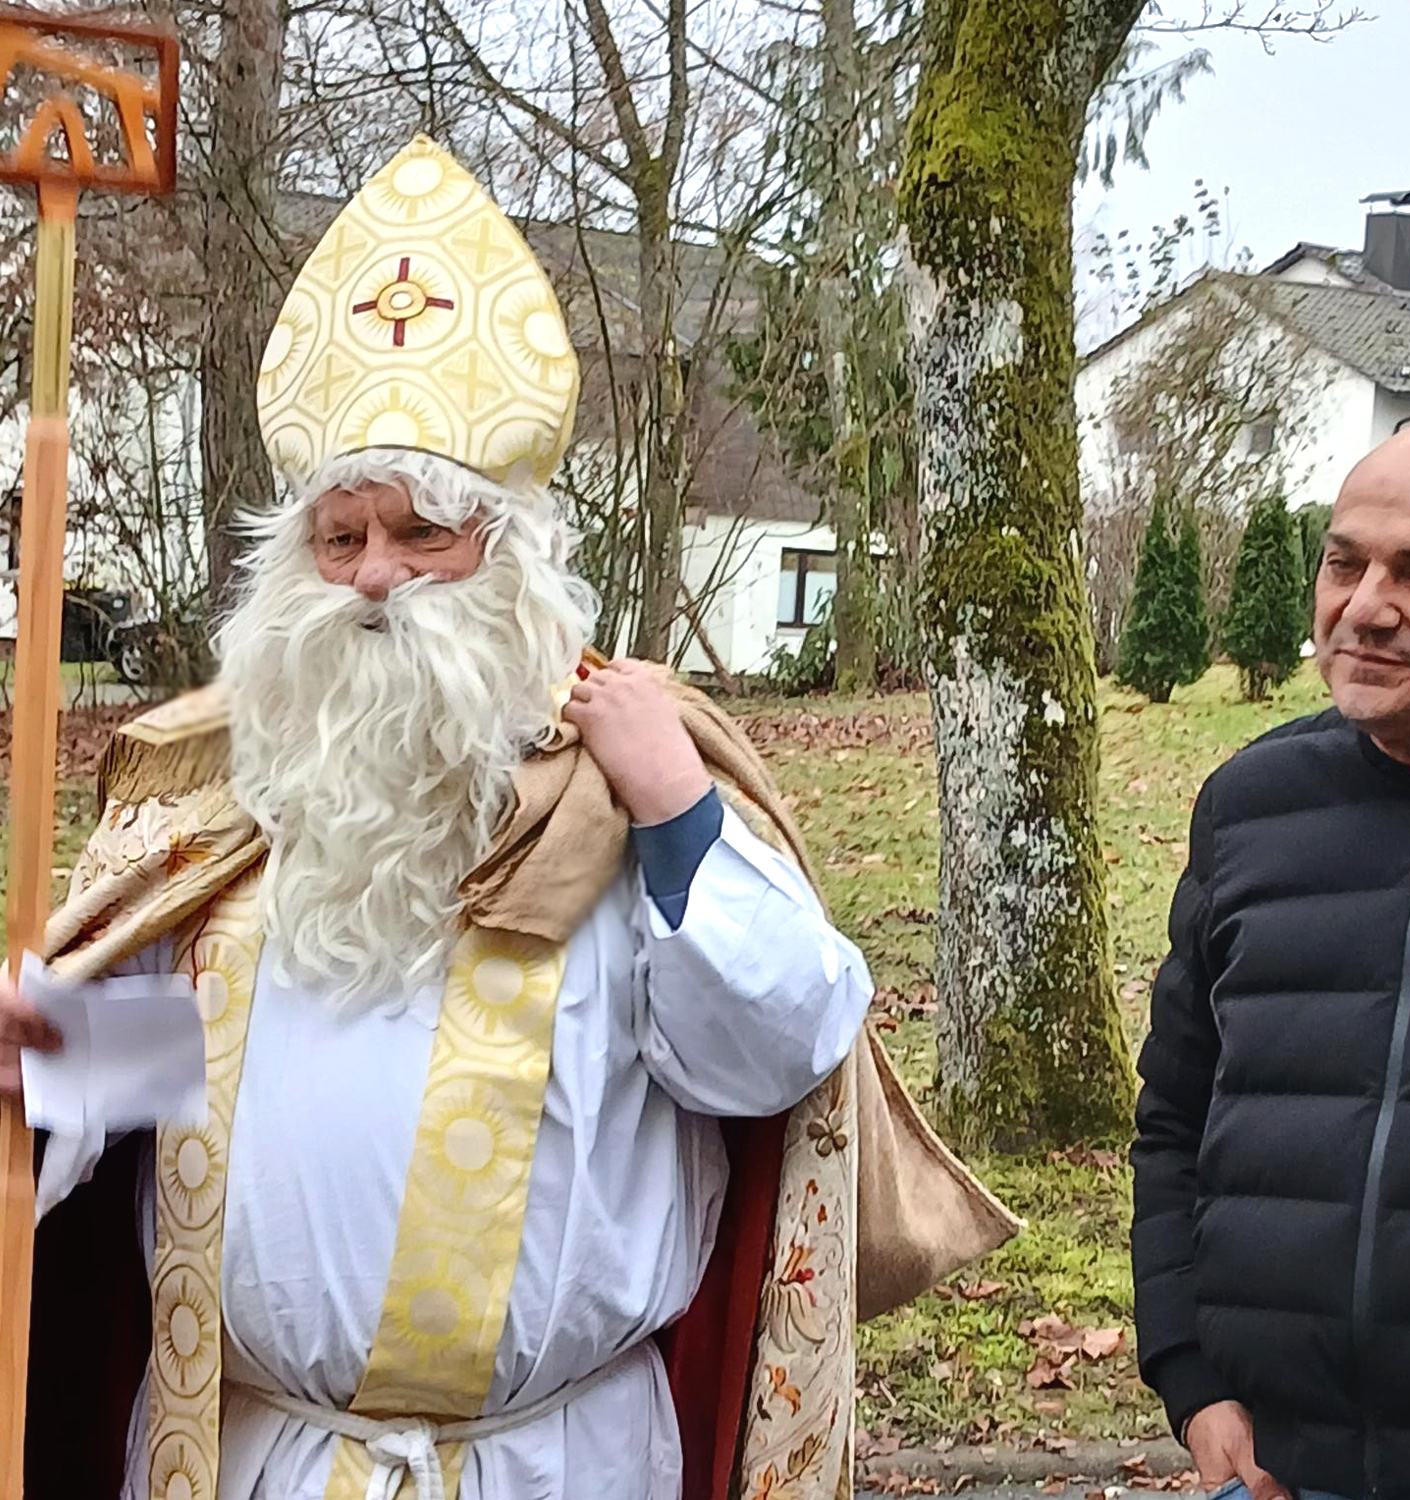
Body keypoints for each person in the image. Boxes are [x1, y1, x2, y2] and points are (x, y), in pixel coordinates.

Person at [3, 135, 879, 1500]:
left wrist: (678, 813)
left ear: (512, 556)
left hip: (552, 1467)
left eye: (424, 533)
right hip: (258, 1461)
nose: (375, 579)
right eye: (340, 538)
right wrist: (51, 1065)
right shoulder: (228, 805)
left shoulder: (628, 796)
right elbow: (192, 1076)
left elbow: (769, 1057)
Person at [1132, 412, 1410, 1500]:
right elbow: (1175, 1120)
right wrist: (1190, 1379)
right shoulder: (1253, 804)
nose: (1365, 607)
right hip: (1287, 1469)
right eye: (1345, 562)